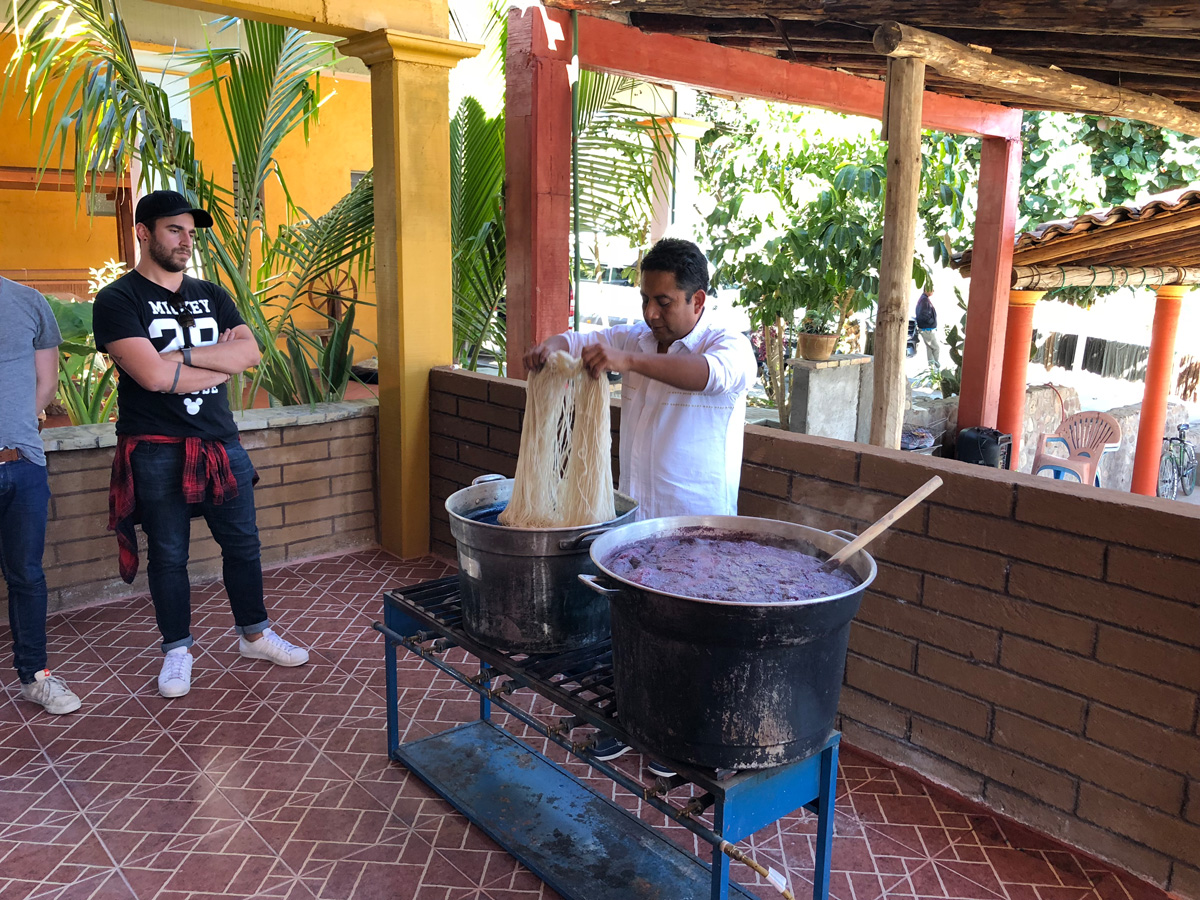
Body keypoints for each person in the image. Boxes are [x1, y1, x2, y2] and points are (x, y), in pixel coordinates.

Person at [524, 237, 757, 771]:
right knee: (632, 627)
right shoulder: (639, 335)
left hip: (697, 527)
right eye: (646, 301)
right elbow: (580, 338)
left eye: (664, 302)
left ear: (698, 300)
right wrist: (551, 345)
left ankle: (680, 739)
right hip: (635, 516)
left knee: (687, 636)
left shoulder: (729, 344)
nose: (651, 314)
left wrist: (628, 360)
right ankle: (632, 721)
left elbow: (707, 377)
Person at [93, 191, 309, 700]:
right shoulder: (118, 300)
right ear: (143, 232)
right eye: (174, 230)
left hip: (219, 440)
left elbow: (250, 353)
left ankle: (254, 634)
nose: (187, 240)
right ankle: (177, 650)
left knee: (244, 544)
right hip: (155, 446)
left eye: (191, 232)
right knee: (168, 553)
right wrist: (212, 361)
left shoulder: (210, 293)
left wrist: (180, 360)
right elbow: (148, 375)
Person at [0, 277, 82, 715]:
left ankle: (35, 677)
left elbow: (46, 385)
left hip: (22, 465)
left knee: (27, 577)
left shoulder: (29, 302)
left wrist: (14, 424)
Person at [915, 287, 941, 370]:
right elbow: (923, 315)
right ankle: (937, 367)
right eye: (932, 289)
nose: (933, 291)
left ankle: (932, 367)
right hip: (927, 329)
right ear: (926, 290)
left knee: (930, 348)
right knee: (936, 347)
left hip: (926, 328)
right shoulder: (924, 301)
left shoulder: (924, 299)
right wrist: (931, 321)